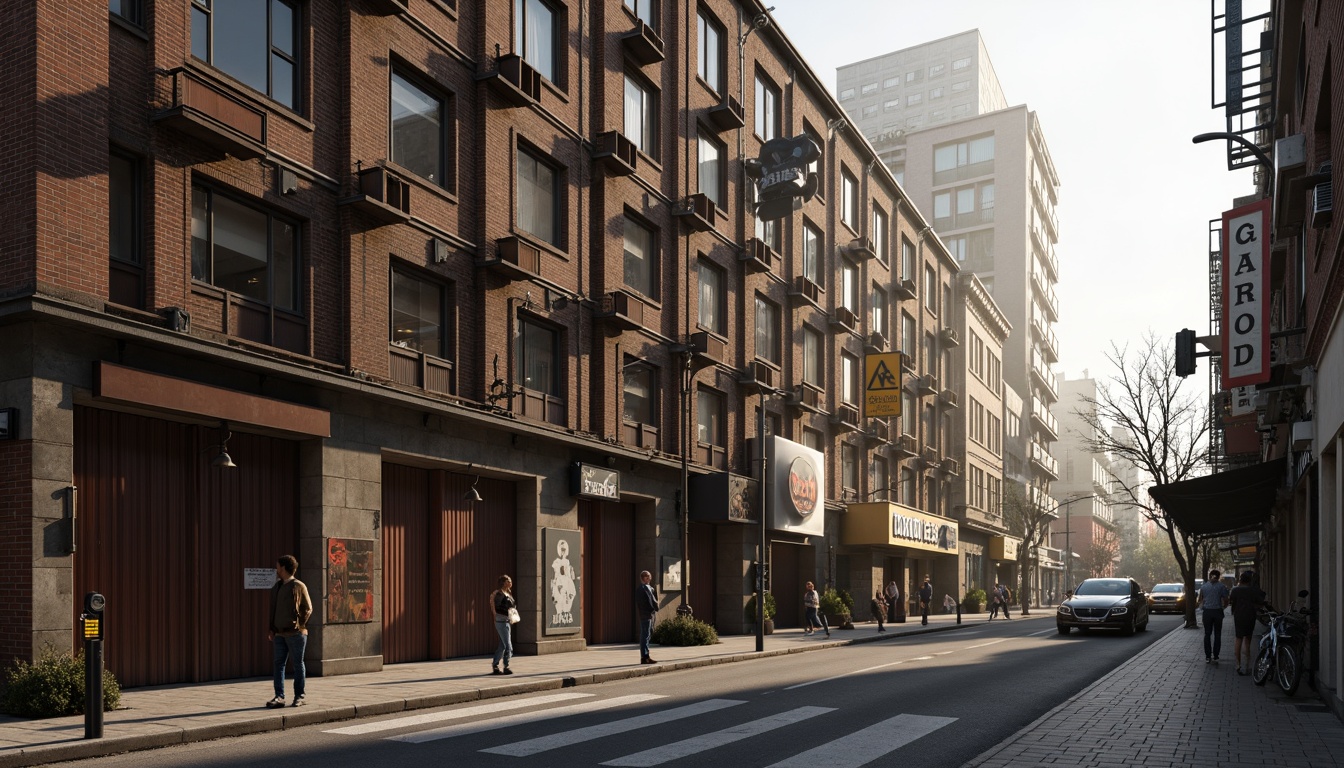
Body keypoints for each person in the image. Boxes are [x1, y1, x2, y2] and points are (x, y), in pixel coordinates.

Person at [266, 554, 313, 708]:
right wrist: (272, 629)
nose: (276, 569)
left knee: (298, 664)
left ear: (284, 568)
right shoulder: (277, 587)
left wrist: (299, 625)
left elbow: (308, 608)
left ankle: (300, 696)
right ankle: (279, 697)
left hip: (295, 634)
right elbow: (273, 610)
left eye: (278, 566)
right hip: (279, 633)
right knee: (278, 664)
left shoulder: (298, 586)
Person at [1229, 571, 1264, 675]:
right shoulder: (1252, 590)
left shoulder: (1235, 590)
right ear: (1249, 581)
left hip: (1238, 616)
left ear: (1240, 580)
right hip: (1250, 616)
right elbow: (1260, 602)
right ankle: (1247, 664)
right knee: (1248, 640)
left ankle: (1238, 664)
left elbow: (1232, 602)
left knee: (1238, 639)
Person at [1197, 568, 1231, 663]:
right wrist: (1223, 607)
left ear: (1210, 576)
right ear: (1218, 577)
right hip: (1217, 612)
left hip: (1207, 612)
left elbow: (1200, 600)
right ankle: (1216, 655)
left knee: (1207, 634)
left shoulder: (1203, 587)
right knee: (1217, 634)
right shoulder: (1222, 587)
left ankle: (1208, 656)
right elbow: (1226, 599)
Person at [490, 575, 516, 675]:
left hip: (507, 621)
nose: (510, 582)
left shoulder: (508, 593)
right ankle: (506, 667)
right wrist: (497, 615)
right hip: (501, 621)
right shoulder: (498, 594)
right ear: (504, 582)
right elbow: (495, 607)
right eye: (508, 580)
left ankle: (495, 666)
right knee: (509, 646)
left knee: (502, 645)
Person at [635, 570, 659, 664]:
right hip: (645, 614)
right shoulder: (641, 589)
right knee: (645, 635)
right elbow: (641, 603)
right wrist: (648, 610)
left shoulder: (651, 588)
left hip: (651, 614)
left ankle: (647, 656)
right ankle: (644, 657)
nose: (649, 578)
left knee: (648, 635)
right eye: (646, 576)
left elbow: (653, 599)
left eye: (649, 576)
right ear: (642, 578)